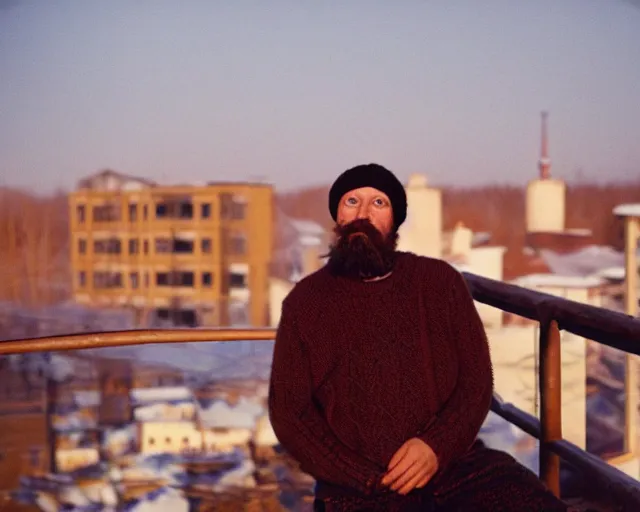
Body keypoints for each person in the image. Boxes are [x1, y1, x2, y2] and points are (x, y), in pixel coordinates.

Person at [268, 163, 570, 511]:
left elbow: (475, 381)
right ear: (337, 215)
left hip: (456, 469)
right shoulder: (306, 302)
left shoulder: (439, 282)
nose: (363, 213)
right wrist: (361, 476)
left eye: (378, 203)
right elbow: (290, 413)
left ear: (395, 220)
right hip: (358, 489)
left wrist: (435, 447)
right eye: (352, 201)